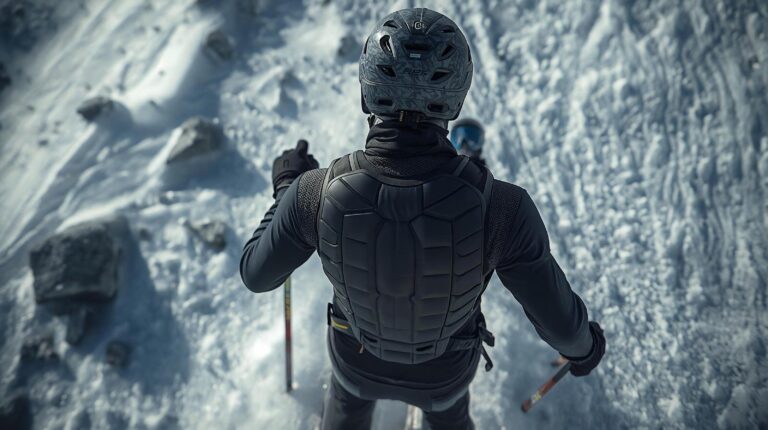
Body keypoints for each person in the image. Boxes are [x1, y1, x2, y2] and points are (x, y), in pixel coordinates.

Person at [240, 8, 605, 430]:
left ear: (366, 94)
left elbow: (257, 274)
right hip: (443, 375)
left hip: (355, 362)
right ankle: (469, 162)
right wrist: (584, 348)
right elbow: (561, 326)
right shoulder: (505, 209)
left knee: (345, 409)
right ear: (456, 97)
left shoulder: (314, 192)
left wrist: (289, 186)